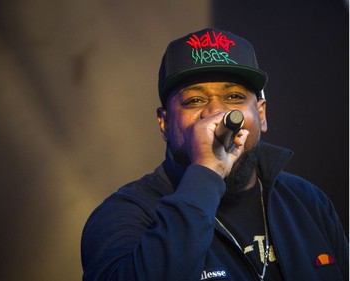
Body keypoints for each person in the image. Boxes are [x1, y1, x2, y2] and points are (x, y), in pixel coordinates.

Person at [81, 28, 348, 281]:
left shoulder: (307, 200)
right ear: (164, 123)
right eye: (194, 101)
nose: (218, 115)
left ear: (262, 115)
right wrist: (207, 170)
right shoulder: (124, 215)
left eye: (233, 97)